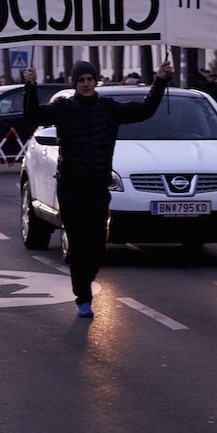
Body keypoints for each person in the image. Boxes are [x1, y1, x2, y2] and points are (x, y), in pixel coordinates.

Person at [24, 58, 173, 319]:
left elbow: (145, 110)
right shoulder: (63, 108)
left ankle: (85, 284)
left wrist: (160, 80)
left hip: (97, 188)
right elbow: (33, 115)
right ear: (74, 83)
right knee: (79, 244)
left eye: (89, 79)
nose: (85, 84)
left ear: (96, 82)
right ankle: (83, 297)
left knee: (97, 247)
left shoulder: (109, 108)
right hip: (71, 187)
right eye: (80, 80)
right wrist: (30, 86)